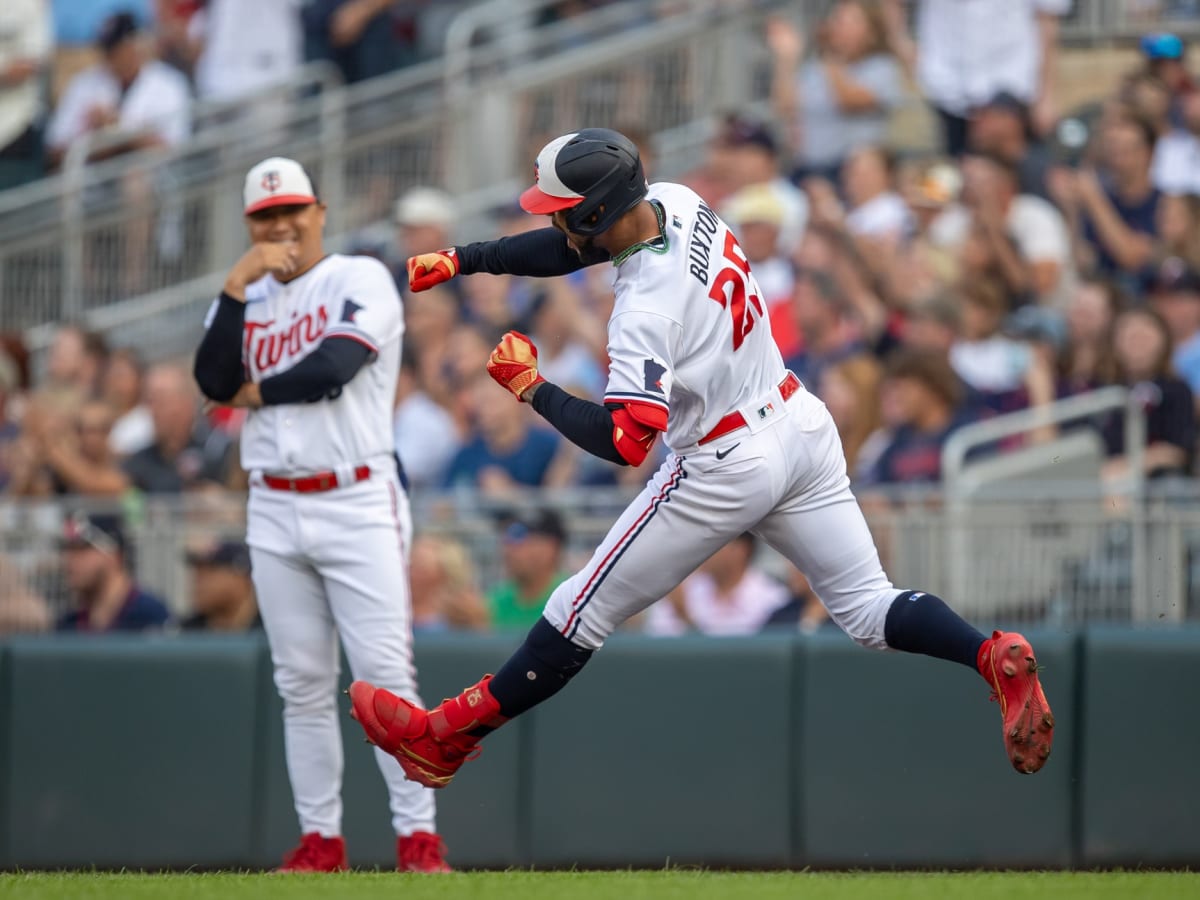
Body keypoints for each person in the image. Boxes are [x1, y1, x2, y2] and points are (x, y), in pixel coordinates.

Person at [345, 128, 1055, 791]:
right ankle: (986, 654)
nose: (556, 221)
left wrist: (532, 389)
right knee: (870, 611)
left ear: (595, 212)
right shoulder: (677, 201)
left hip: (726, 459)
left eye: (563, 209)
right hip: (796, 422)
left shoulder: (642, 308)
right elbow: (576, 248)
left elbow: (628, 442)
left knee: (578, 606)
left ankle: (447, 736)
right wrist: (469, 259)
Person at [192, 156, 449, 873]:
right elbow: (210, 379)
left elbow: (332, 367)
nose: (281, 227)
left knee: (384, 678)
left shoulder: (359, 277)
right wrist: (236, 282)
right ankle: (321, 842)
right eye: (266, 217)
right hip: (273, 504)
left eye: (293, 212)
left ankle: (418, 840)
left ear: (320, 211)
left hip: (357, 496)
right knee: (300, 682)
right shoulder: (243, 298)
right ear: (250, 224)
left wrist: (250, 394)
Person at [645, 532, 792, 636]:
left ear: (740, 549)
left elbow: (744, 663)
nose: (702, 550)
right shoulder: (683, 590)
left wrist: (686, 619)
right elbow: (659, 650)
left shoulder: (772, 598)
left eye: (712, 542)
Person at [57, 510, 170, 633]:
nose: (69, 560)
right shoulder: (68, 624)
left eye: (82, 550)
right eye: (68, 550)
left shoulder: (150, 617)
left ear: (114, 556)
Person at [487, 507, 570, 632]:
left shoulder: (570, 601)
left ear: (551, 548)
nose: (508, 549)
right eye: (506, 538)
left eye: (518, 536)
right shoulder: (494, 601)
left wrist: (484, 629)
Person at [181, 539, 261, 632]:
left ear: (241, 577)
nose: (198, 581)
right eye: (197, 572)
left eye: (210, 570)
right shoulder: (186, 631)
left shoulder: (269, 626)